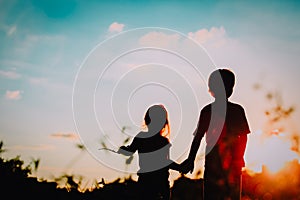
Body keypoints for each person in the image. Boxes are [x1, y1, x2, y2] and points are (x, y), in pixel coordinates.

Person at [181, 69, 251, 200]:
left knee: (213, 195)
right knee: (231, 195)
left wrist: (191, 160)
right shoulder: (236, 110)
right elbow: (244, 137)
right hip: (227, 160)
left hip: (217, 160)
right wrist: (238, 157)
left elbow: (197, 139)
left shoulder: (207, 111)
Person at [118, 104, 182, 200]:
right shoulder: (163, 142)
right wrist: (180, 167)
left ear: (147, 121)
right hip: (161, 183)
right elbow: (166, 162)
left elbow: (130, 151)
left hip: (145, 182)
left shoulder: (141, 137)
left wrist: (123, 149)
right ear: (164, 123)